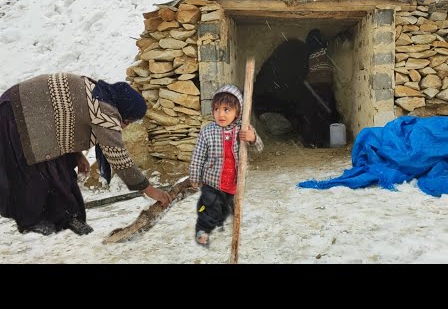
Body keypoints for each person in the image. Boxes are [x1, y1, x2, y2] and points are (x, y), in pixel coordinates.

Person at [0, 72, 171, 236]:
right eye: (127, 121)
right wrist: (149, 189)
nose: (125, 126)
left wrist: (77, 155)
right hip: (18, 113)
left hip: (37, 116)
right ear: (122, 111)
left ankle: (67, 218)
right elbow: (119, 158)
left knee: (60, 173)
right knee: (34, 175)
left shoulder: (101, 94)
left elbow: (68, 121)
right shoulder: (104, 110)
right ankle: (36, 222)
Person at [189, 84, 264, 247]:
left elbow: (259, 149)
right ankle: (203, 230)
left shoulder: (243, 129)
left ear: (238, 111)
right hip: (212, 181)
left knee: (227, 208)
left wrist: (252, 138)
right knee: (209, 207)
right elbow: (198, 156)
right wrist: (195, 177)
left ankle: (221, 221)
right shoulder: (208, 131)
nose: (220, 114)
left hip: (234, 182)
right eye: (216, 109)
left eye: (226, 109)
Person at [302, 29, 339, 148]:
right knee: (325, 114)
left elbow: (306, 71)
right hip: (324, 86)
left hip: (313, 87)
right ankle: (323, 141)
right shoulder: (326, 50)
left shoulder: (309, 53)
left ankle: (312, 141)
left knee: (312, 115)